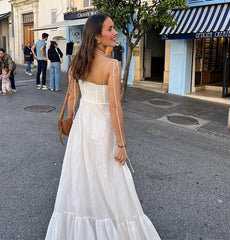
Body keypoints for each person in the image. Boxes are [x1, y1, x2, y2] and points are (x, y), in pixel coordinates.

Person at [45, 14, 161, 240]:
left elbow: (72, 98)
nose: (115, 32)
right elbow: (115, 108)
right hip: (103, 128)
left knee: (81, 178)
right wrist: (121, 144)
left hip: (82, 126)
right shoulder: (113, 66)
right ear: (97, 36)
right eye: (110, 28)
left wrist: (72, 123)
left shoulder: (77, 62)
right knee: (110, 178)